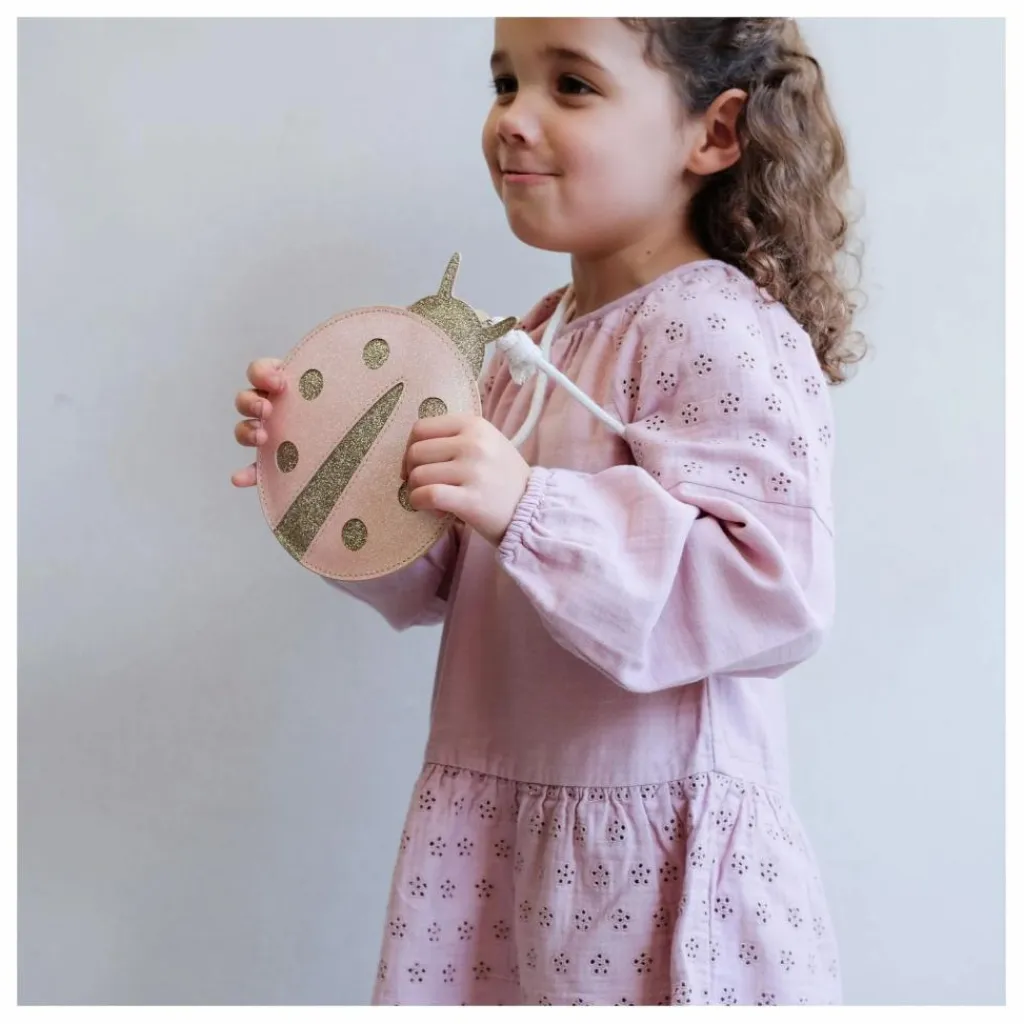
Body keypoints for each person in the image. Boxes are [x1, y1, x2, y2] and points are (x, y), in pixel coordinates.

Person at [231, 17, 863, 1006]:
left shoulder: (715, 325)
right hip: (500, 838)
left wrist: (527, 505)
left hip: (646, 863)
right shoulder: (534, 341)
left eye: (570, 85)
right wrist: (323, 465)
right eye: (504, 82)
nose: (513, 120)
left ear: (713, 133)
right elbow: (446, 572)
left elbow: (774, 589)